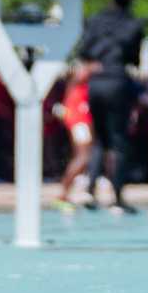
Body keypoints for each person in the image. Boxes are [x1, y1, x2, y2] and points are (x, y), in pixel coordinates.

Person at [72, 0, 144, 214]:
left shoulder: (96, 20)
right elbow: (134, 58)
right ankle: (118, 194)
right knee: (119, 139)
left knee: (100, 139)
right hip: (118, 81)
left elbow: (85, 50)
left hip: (96, 83)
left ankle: (90, 189)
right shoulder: (133, 23)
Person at [54, 63, 95, 210]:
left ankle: (66, 193)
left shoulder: (79, 86)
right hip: (79, 122)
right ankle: (63, 194)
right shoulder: (75, 84)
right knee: (82, 157)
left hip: (81, 121)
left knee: (82, 157)